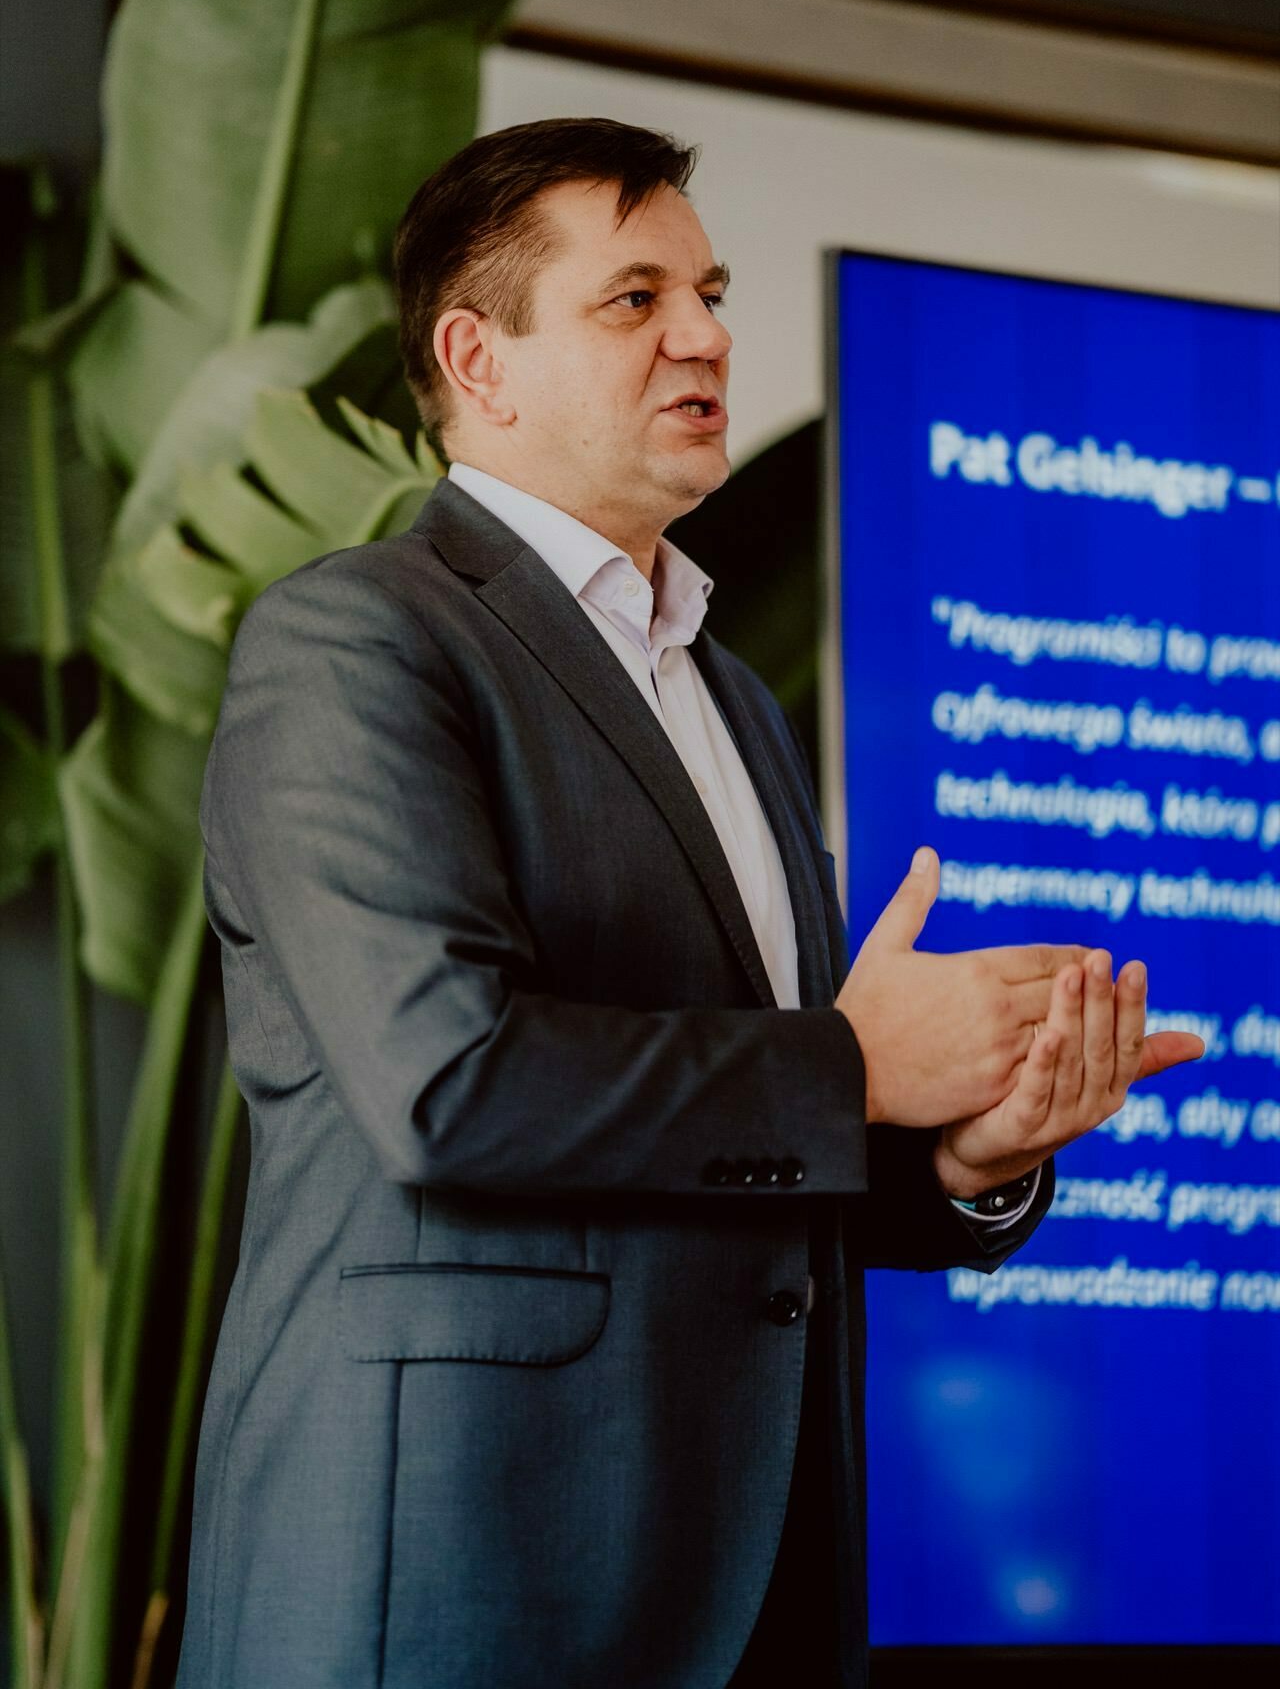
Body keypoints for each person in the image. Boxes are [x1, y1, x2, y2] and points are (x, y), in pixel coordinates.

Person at [175, 117, 1202, 1689]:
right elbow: (450, 1085)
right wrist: (858, 1069)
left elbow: (745, 1163)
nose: (708, 334)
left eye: (710, 291)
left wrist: (967, 1160)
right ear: (479, 358)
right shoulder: (356, 644)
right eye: (635, 298)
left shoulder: (730, 698)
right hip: (465, 1574)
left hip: (754, 1581)